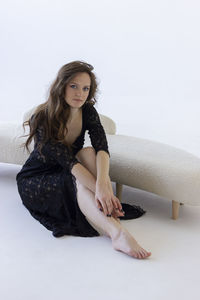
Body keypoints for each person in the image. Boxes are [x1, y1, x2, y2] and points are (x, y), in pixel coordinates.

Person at [16, 60, 151, 259]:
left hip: (71, 166)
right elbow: (69, 164)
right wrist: (101, 190)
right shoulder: (43, 117)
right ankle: (117, 233)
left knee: (88, 151)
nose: (80, 93)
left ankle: (103, 209)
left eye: (85, 88)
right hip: (39, 178)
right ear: (61, 86)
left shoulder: (87, 111)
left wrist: (104, 183)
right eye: (74, 86)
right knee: (78, 180)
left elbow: (102, 148)